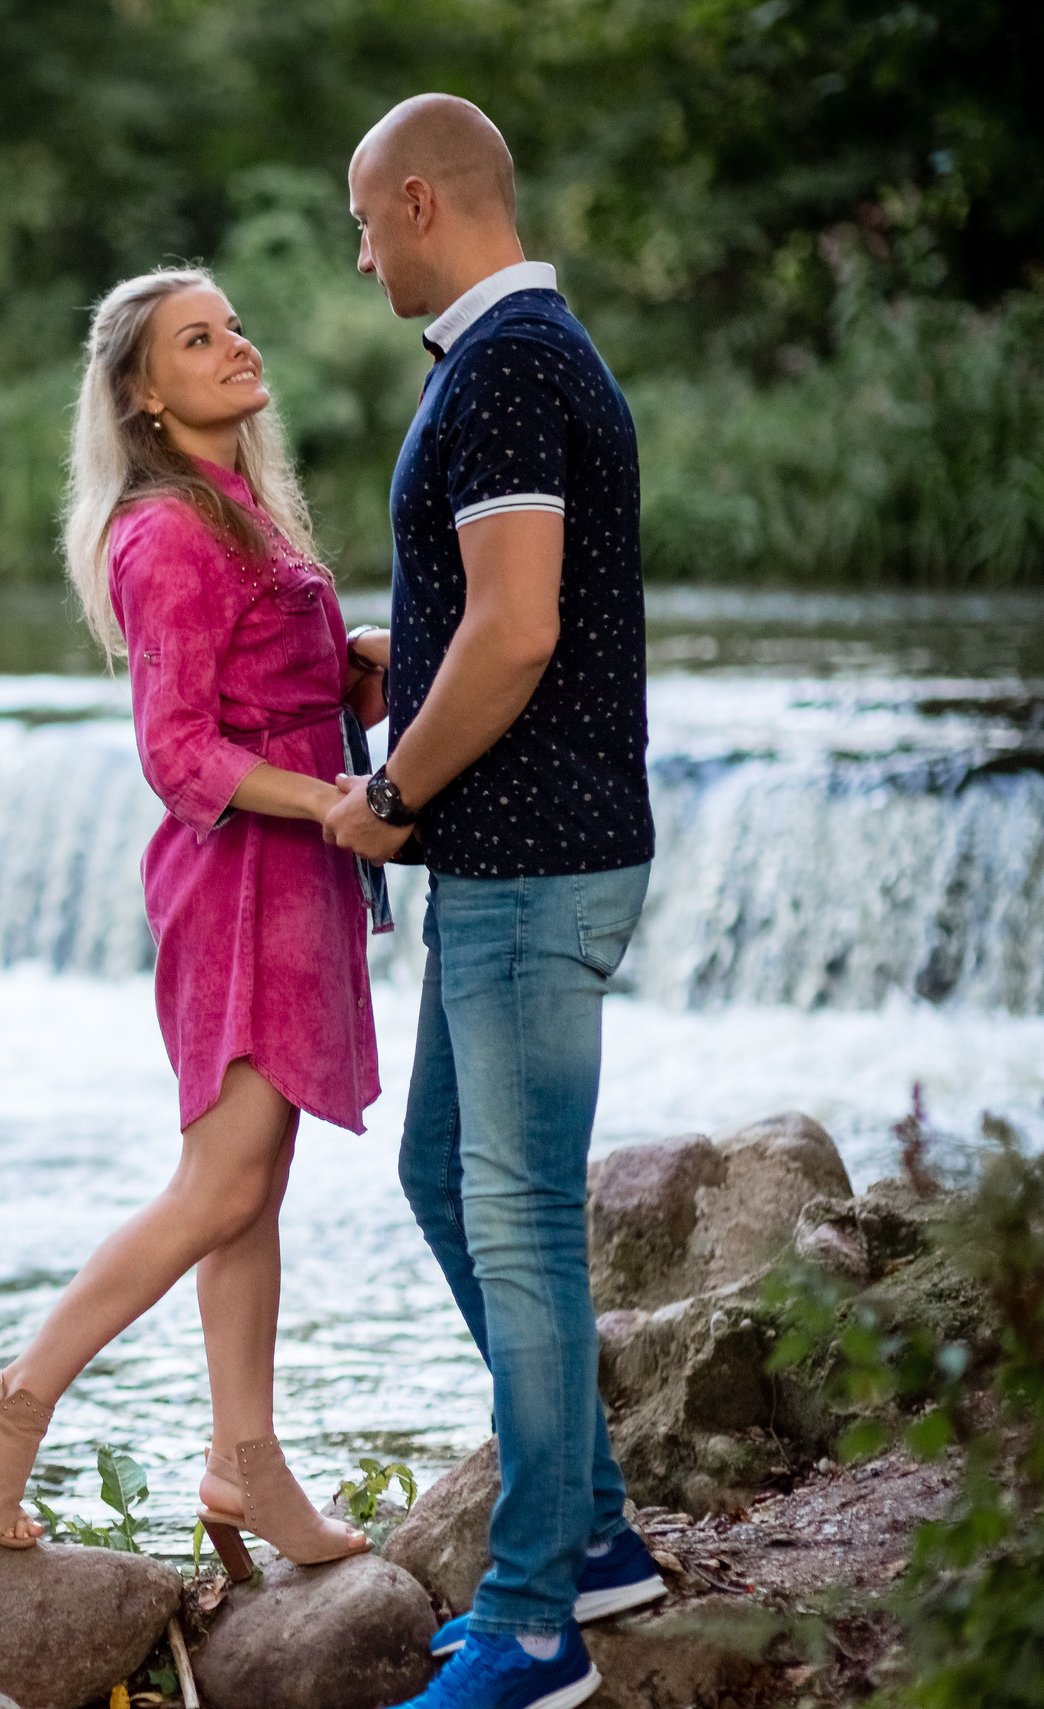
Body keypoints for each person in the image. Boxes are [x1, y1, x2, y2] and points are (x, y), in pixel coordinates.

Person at [0, 267, 389, 1578]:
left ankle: (244, 1456)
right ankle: (14, 1397)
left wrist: (341, 667)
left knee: (253, 1189)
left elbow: (254, 685)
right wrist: (332, 799)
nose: (236, 345)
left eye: (235, 325)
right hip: (242, 876)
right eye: (199, 338)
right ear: (142, 390)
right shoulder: (168, 532)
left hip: (289, 876)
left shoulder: (241, 509)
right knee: (222, 1183)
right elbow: (179, 750)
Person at [322, 96, 666, 1709]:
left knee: (520, 1223)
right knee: (444, 1180)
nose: (356, 249)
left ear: (416, 201)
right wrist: (411, 643)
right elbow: (502, 609)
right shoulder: (513, 361)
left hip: (530, 864)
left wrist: (390, 794)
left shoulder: (513, 365)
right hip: (517, 855)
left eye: (360, 220)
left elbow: (521, 631)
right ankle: (594, 1531)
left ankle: (536, 1626)